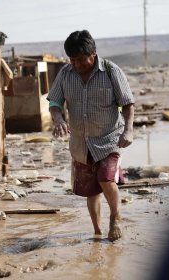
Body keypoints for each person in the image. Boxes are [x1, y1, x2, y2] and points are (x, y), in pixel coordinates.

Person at [47, 30, 135, 241]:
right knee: (91, 191)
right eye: (72, 60)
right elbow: (55, 102)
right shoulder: (65, 74)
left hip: (109, 139)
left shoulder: (112, 71)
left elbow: (127, 103)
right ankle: (97, 232)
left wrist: (129, 130)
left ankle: (115, 216)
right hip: (80, 143)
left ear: (93, 54)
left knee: (105, 179)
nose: (76, 64)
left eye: (80, 59)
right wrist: (58, 119)